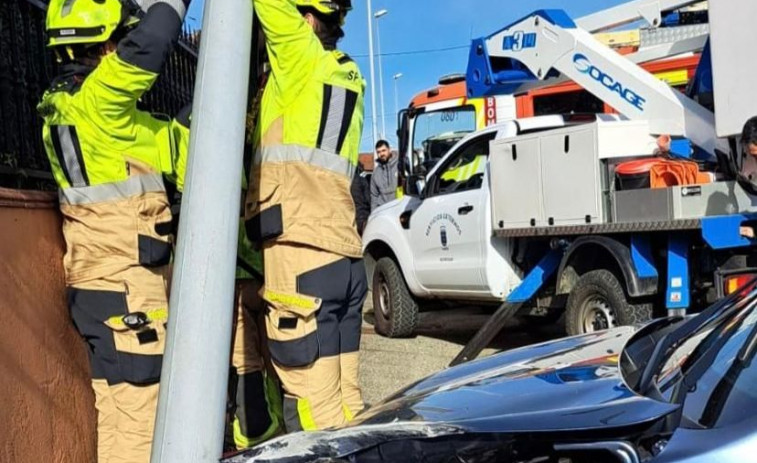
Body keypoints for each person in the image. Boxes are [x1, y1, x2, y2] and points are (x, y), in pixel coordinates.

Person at [38, 0, 189, 461]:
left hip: (97, 283)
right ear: (105, 45)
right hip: (126, 285)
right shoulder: (101, 99)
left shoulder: (64, 110)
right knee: (142, 420)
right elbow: (155, 39)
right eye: (120, 39)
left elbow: (155, 139)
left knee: (120, 410)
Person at [244, 0, 367, 432]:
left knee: (312, 413)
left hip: (302, 261)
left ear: (308, 19)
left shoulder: (299, 56)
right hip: (342, 255)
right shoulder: (347, 75)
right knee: (346, 401)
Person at [371, 139, 399, 210]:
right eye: (379, 152)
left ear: (389, 149)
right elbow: (374, 196)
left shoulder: (400, 166)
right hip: (383, 211)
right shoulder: (376, 173)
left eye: (384, 150)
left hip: (399, 208)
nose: (381, 154)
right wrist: (373, 214)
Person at [351, 160, 372, 236]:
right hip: (362, 216)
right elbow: (368, 199)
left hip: (350, 216)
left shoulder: (345, 180)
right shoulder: (361, 180)